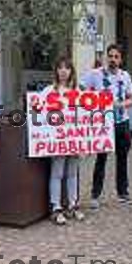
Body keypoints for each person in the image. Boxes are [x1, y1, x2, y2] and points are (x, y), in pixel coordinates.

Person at [82, 44, 132, 208]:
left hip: (122, 123)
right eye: (110, 56)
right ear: (107, 57)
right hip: (103, 124)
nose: (113, 59)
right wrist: (93, 100)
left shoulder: (125, 76)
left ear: (121, 59)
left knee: (122, 159)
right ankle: (95, 195)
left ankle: (123, 193)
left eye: (116, 56)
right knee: (101, 159)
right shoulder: (95, 74)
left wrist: (120, 104)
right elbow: (81, 90)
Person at [44, 57, 85, 225]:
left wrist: (84, 142)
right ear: (56, 71)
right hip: (57, 140)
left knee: (72, 173)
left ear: (71, 71)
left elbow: (85, 116)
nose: (63, 71)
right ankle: (56, 207)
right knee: (57, 172)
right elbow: (38, 111)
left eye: (66, 68)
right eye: (60, 68)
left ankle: (73, 205)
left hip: (74, 139)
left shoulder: (79, 92)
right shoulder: (48, 91)